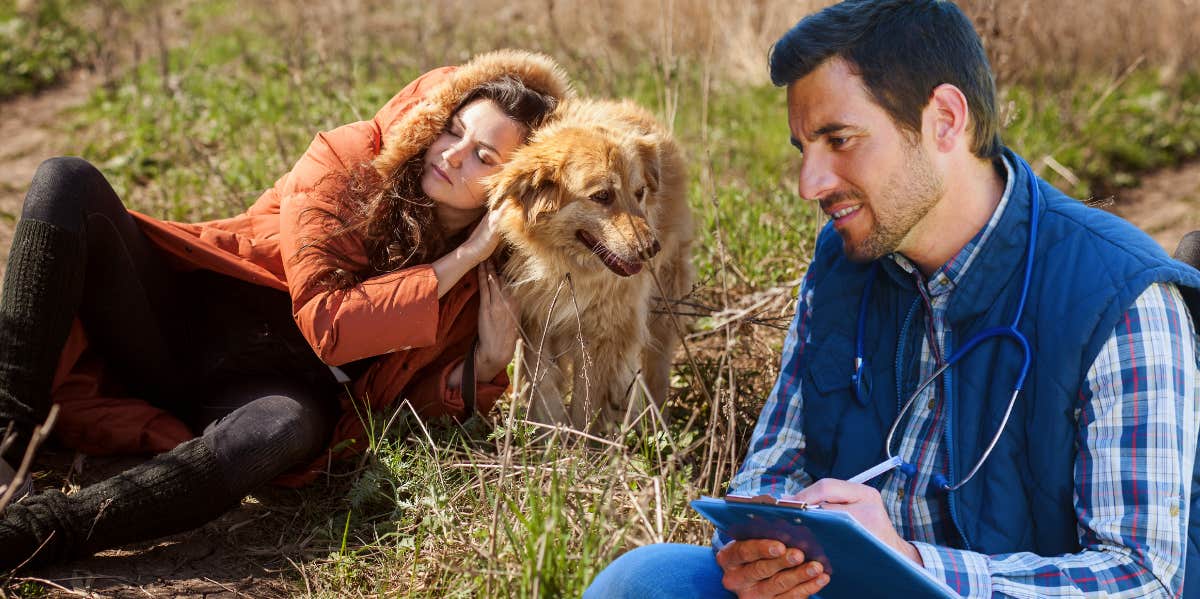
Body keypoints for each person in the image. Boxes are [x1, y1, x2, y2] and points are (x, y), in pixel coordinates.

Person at [585, 1, 1200, 597]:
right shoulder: (840, 264)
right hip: (837, 585)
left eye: (841, 139)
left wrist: (912, 564)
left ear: (945, 120)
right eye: (805, 149)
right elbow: (772, 467)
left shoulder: (1123, 300)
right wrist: (767, 545)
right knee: (641, 581)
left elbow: (1141, 578)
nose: (810, 184)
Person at [0, 49, 570, 569]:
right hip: (179, 325)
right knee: (65, 180)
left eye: (484, 157)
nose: (452, 155)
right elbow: (330, 325)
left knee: (283, 429)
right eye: (451, 130)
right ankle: (5, 442)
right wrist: (461, 258)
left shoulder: (493, 277)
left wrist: (483, 370)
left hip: (275, 390)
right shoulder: (347, 161)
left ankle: (41, 531)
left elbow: (400, 405)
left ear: (512, 187)